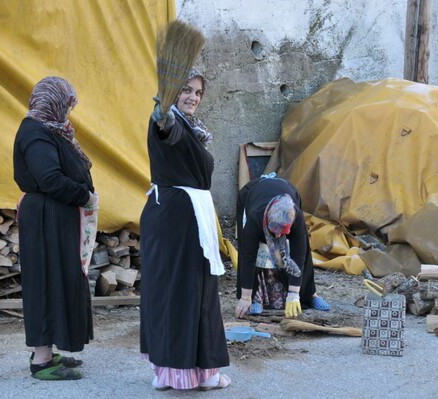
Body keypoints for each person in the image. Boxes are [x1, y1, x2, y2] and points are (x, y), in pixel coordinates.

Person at [139, 69, 231, 391]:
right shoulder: (169, 121)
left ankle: (170, 373)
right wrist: (163, 116)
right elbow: (168, 131)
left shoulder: (192, 128)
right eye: (186, 91)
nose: (192, 97)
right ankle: (200, 374)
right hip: (179, 217)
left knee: (176, 289)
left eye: (198, 93)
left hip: (177, 215)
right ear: (172, 93)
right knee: (187, 289)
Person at [13, 76, 98, 380]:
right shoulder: (36, 132)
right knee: (46, 283)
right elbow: (49, 179)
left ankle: (49, 348)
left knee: (57, 281)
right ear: (53, 102)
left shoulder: (50, 129)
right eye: (67, 103)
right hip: (45, 220)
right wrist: (84, 196)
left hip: (55, 220)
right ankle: (41, 361)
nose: (69, 110)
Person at [234, 173, 331, 319]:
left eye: (282, 233)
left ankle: (310, 294)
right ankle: (254, 297)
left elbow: (299, 255)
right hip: (253, 195)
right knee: (254, 250)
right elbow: (248, 257)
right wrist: (245, 296)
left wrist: (294, 294)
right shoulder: (255, 218)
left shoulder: (295, 216)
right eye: (276, 233)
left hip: (286, 191)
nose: (279, 237)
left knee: (303, 248)